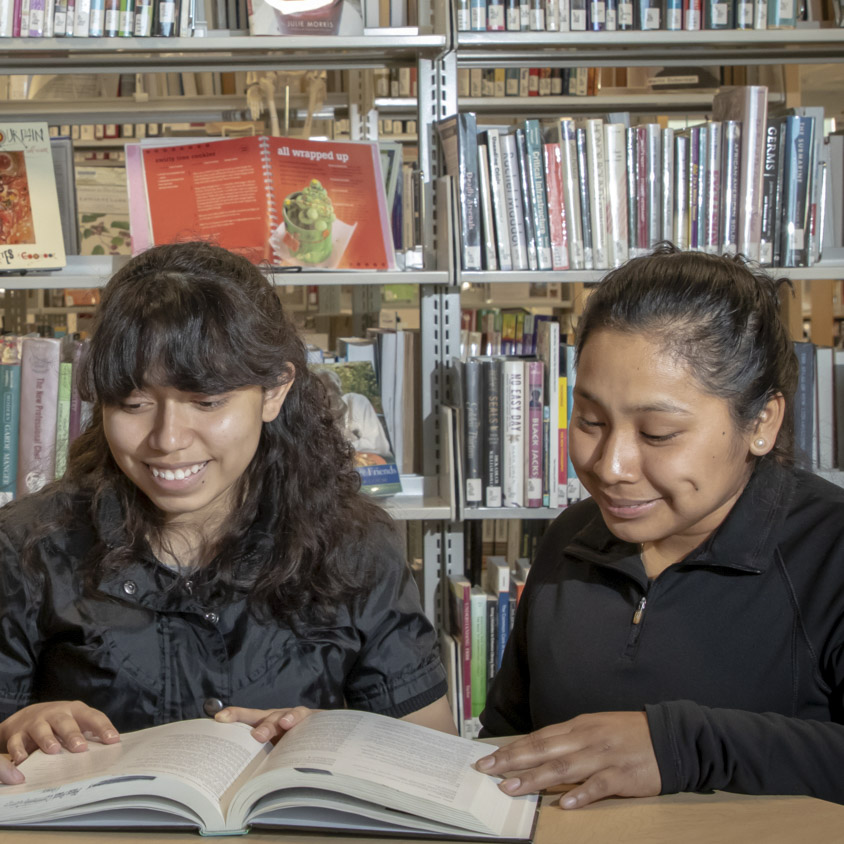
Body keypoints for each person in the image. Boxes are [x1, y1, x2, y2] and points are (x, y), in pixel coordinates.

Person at [0, 241, 454, 785]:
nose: (167, 439)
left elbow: (436, 755)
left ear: (274, 392)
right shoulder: (26, 548)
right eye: (134, 404)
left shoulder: (355, 546)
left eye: (207, 401)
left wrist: (338, 740)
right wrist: (16, 728)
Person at [477, 245, 844, 809]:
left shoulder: (831, 551)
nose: (609, 466)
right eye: (590, 420)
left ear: (762, 422)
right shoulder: (570, 537)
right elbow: (509, 735)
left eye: (657, 434)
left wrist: (683, 747)